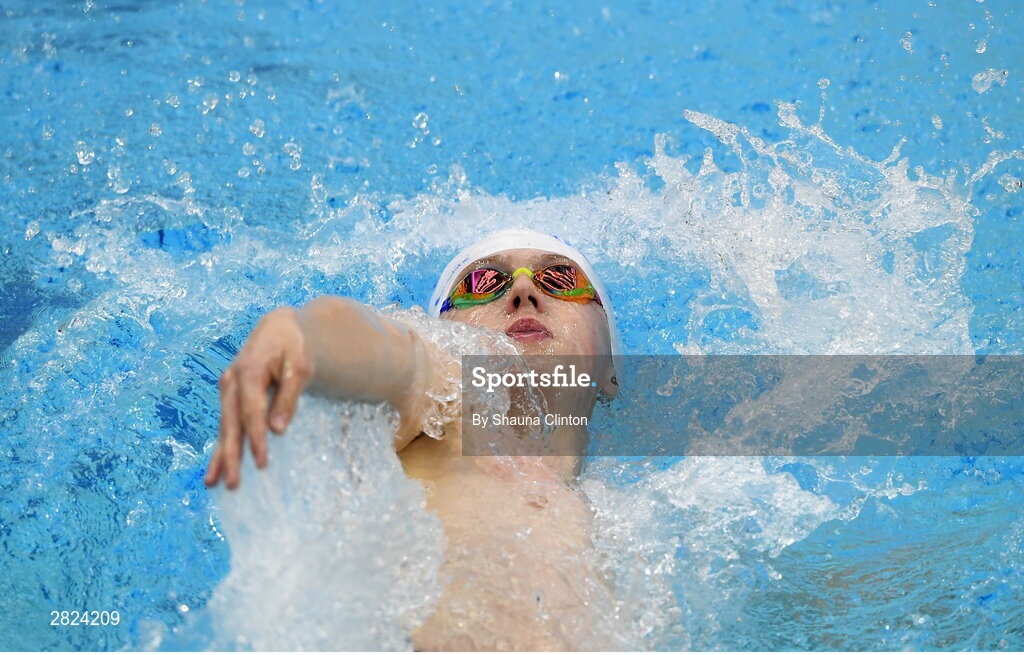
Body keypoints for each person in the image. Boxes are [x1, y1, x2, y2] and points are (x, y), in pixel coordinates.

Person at [203, 229, 626, 650]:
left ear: (612, 371)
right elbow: (395, 354)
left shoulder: (625, 504)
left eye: (560, 279)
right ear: (444, 330)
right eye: (482, 284)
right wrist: (300, 335)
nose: (522, 291)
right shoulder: (446, 409)